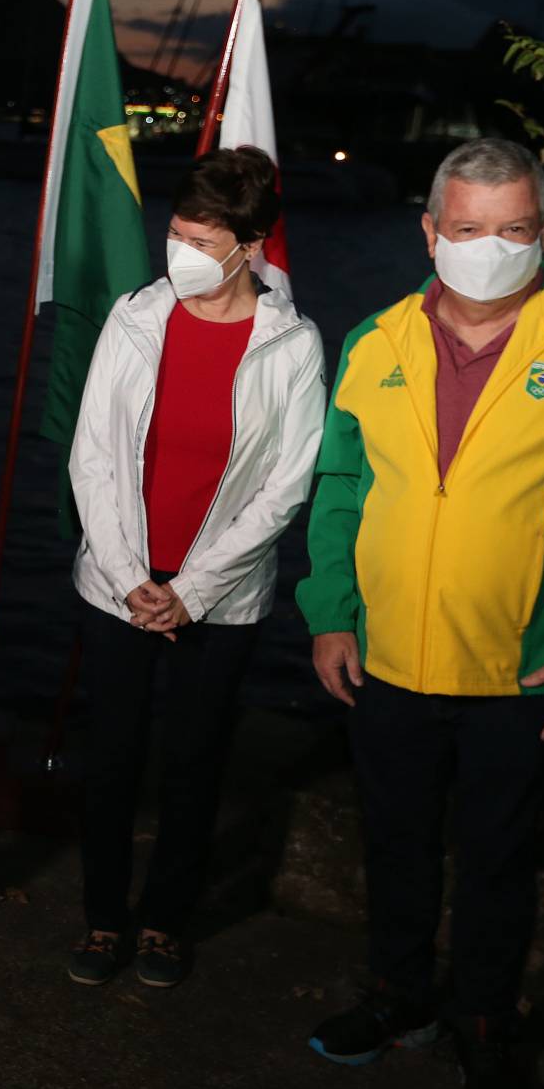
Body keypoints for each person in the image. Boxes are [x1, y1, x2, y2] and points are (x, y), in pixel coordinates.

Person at [296, 138, 544, 1089]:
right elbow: (341, 486)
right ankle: (397, 994)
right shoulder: (375, 340)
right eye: (467, 229)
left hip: (524, 667)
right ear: (430, 231)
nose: (489, 248)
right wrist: (332, 612)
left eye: (513, 230)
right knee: (396, 842)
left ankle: (483, 1025)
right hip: (386, 657)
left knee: (501, 857)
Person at [65, 146, 327, 989]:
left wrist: (191, 592)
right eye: (176, 234)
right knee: (108, 759)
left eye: (202, 241)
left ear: (250, 246)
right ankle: (104, 919)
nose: (181, 253)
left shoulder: (292, 345)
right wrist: (127, 576)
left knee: (194, 763)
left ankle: (164, 924)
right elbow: (92, 456)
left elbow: (286, 488)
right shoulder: (136, 317)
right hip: (118, 587)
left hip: (220, 600)